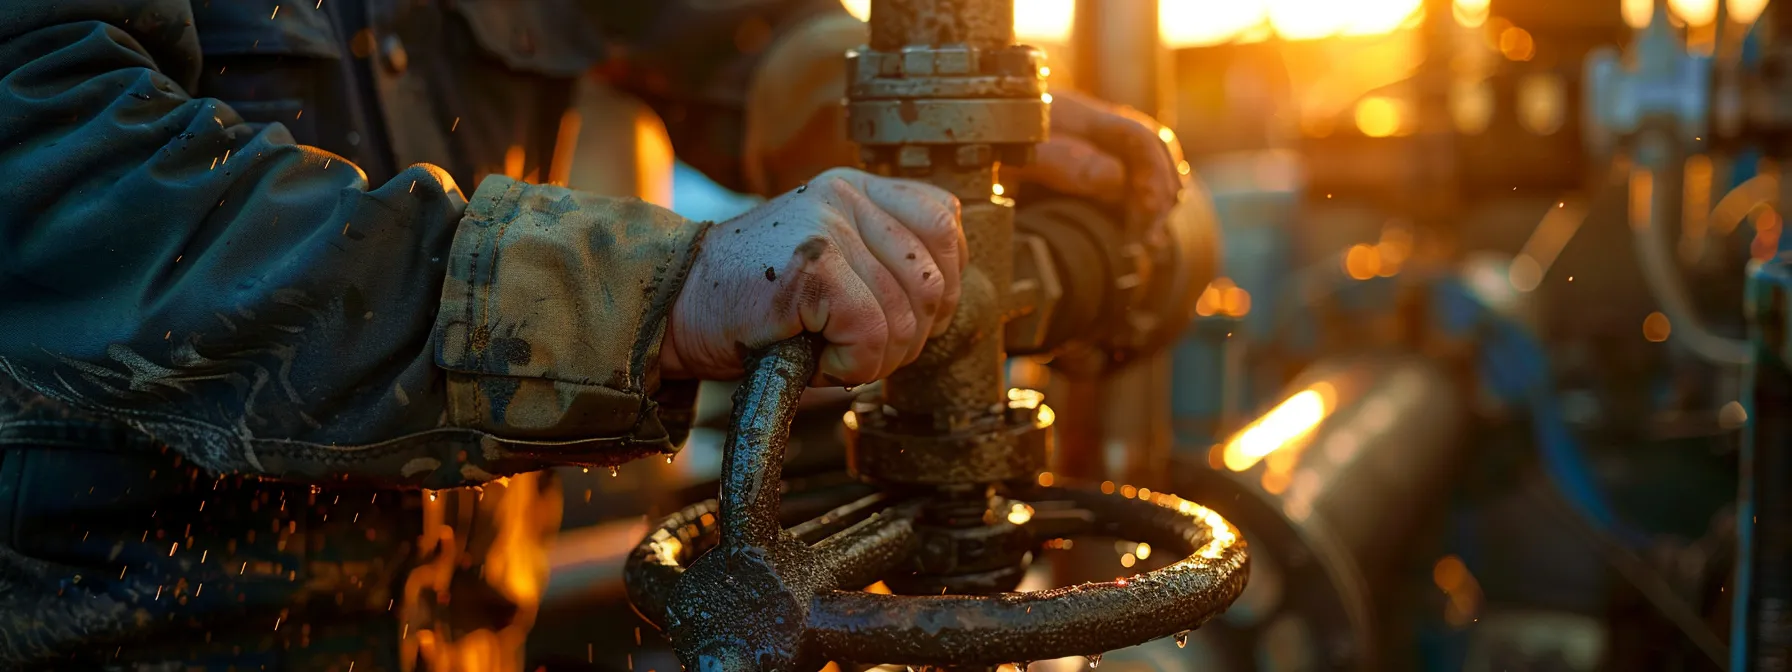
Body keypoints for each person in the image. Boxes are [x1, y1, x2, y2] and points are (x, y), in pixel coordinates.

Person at [0, 0, 1186, 668]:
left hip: (455, 639)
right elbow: (51, 171)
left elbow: (715, 32)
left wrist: (914, 125)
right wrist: (658, 292)